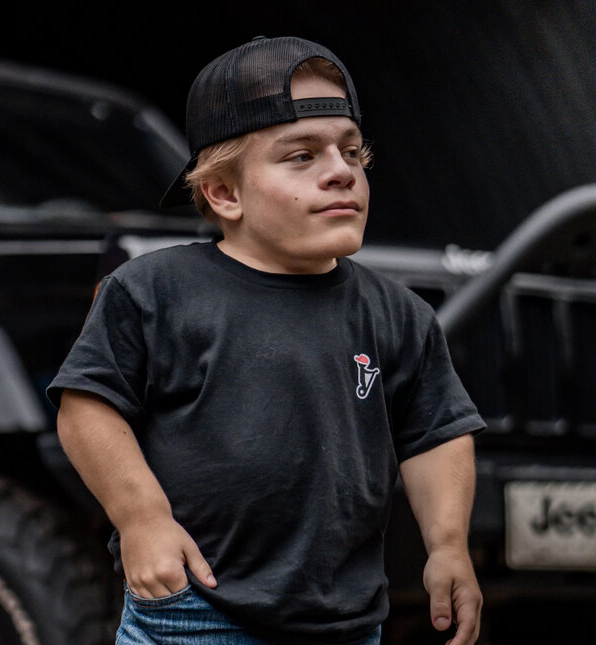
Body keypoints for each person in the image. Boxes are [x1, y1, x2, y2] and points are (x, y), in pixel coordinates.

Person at [48, 35, 485, 645]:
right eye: (302, 156)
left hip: (347, 624)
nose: (340, 172)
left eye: (352, 152)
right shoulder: (154, 289)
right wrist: (142, 520)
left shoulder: (400, 315)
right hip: (196, 611)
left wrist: (447, 547)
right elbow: (86, 409)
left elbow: (435, 434)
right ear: (224, 193)